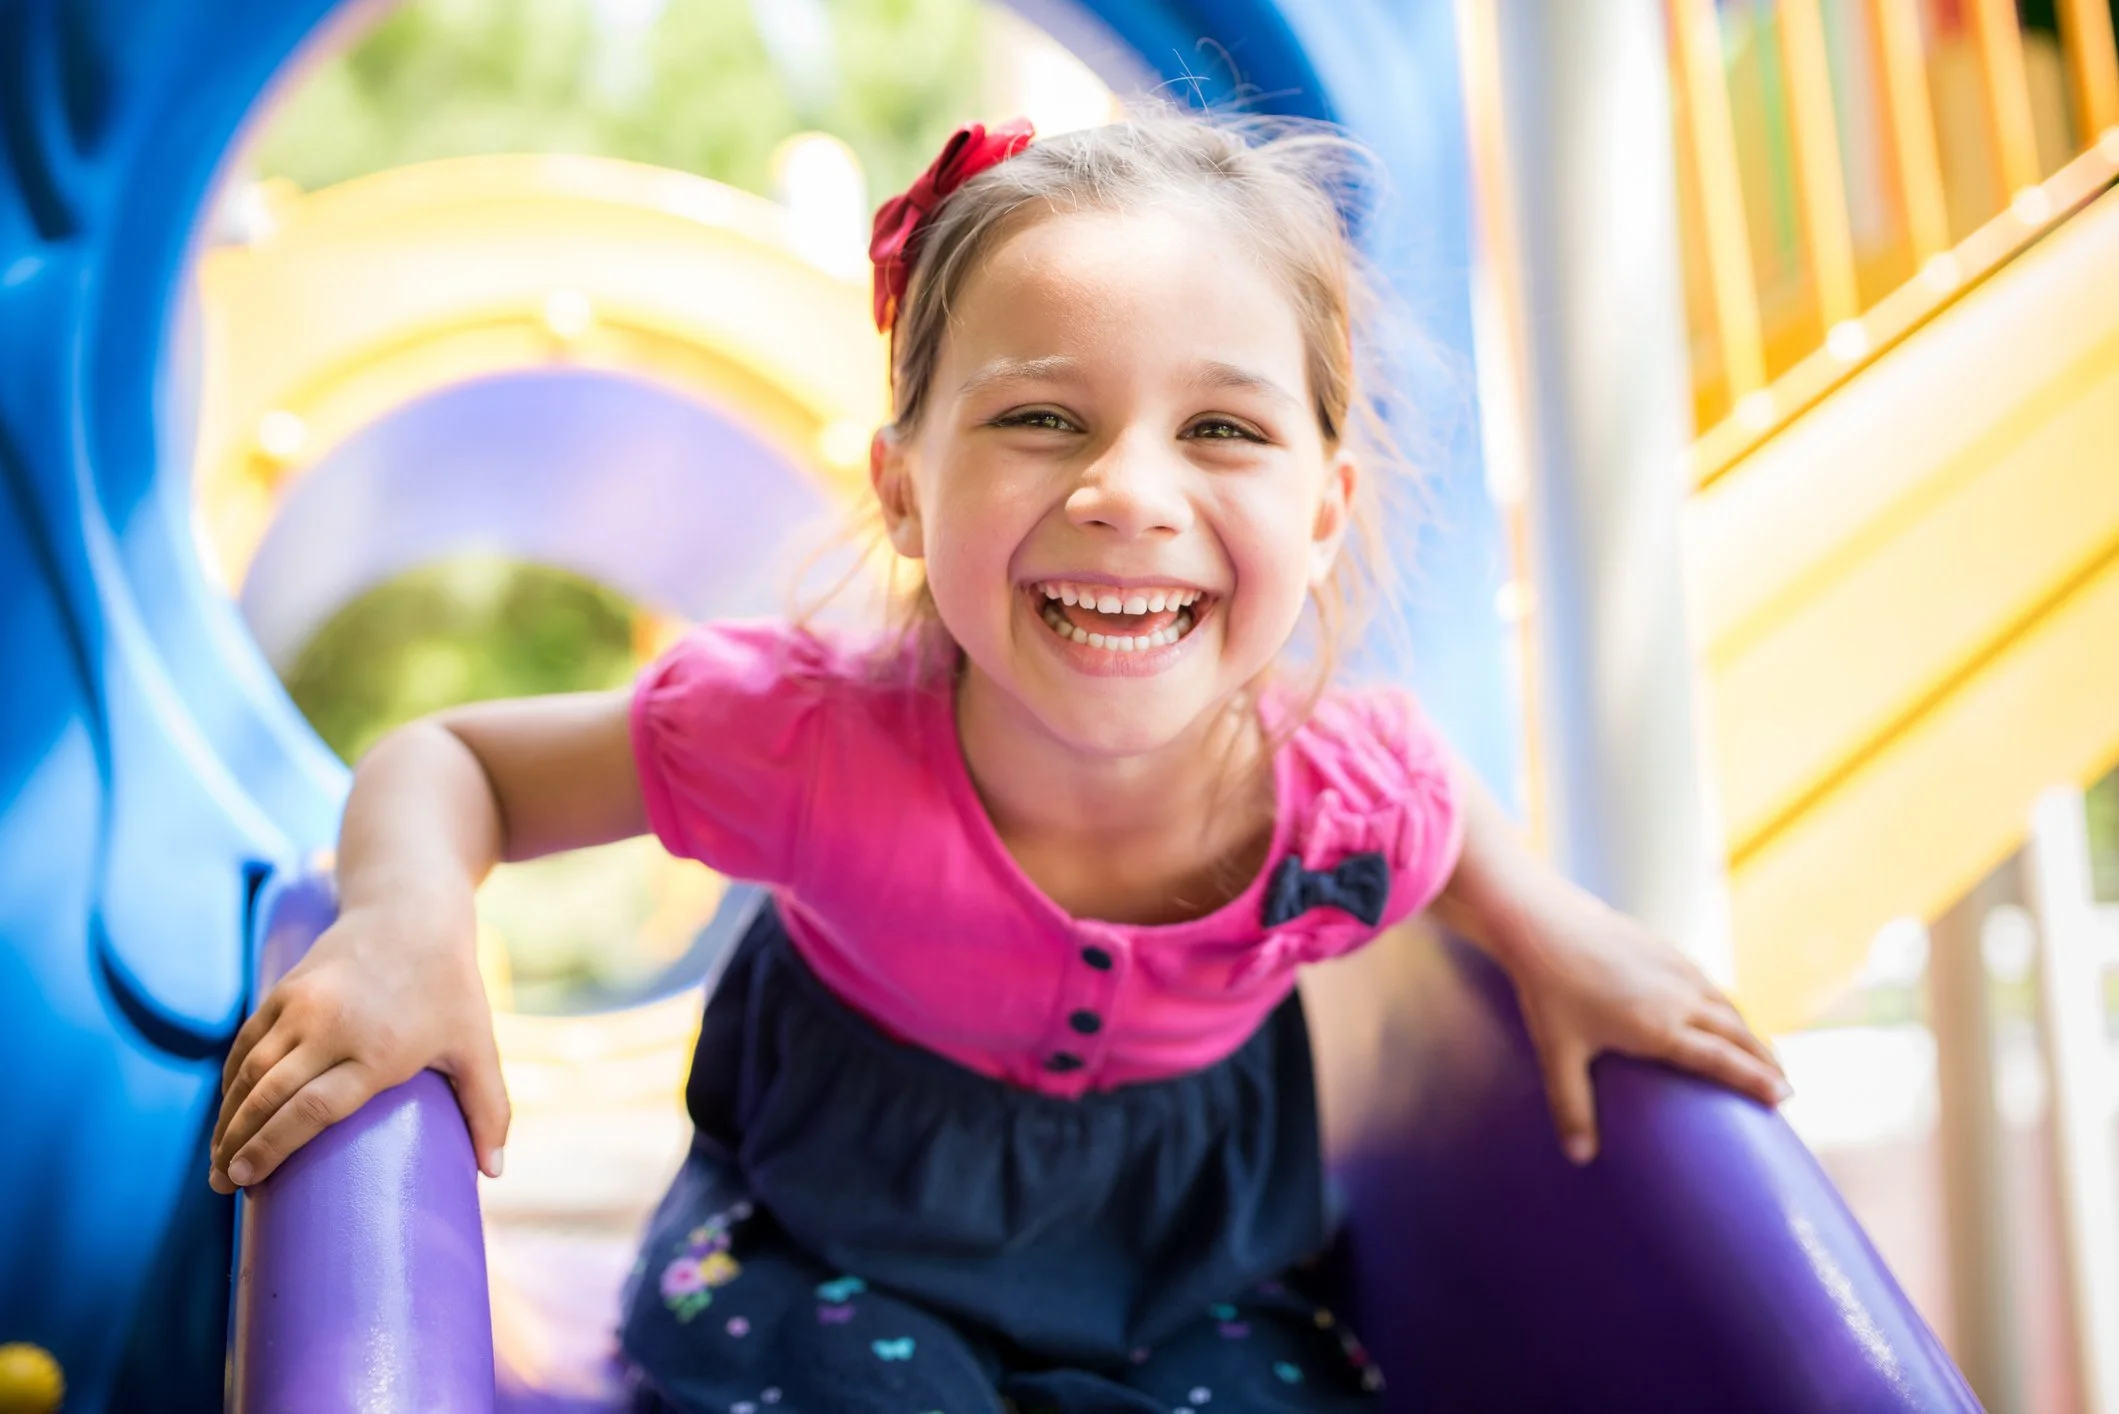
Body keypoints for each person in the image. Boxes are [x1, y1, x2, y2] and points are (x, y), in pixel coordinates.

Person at [209, 108, 1789, 1412]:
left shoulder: (1338, 797)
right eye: (1041, 417)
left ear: (1322, 508)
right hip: (826, 1251)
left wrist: (1552, 928)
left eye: (1223, 432)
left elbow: (1444, 825)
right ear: (904, 491)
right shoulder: (808, 738)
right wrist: (410, 922)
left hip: (1191, 1281)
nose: (1127, 491)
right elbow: (452, 759)